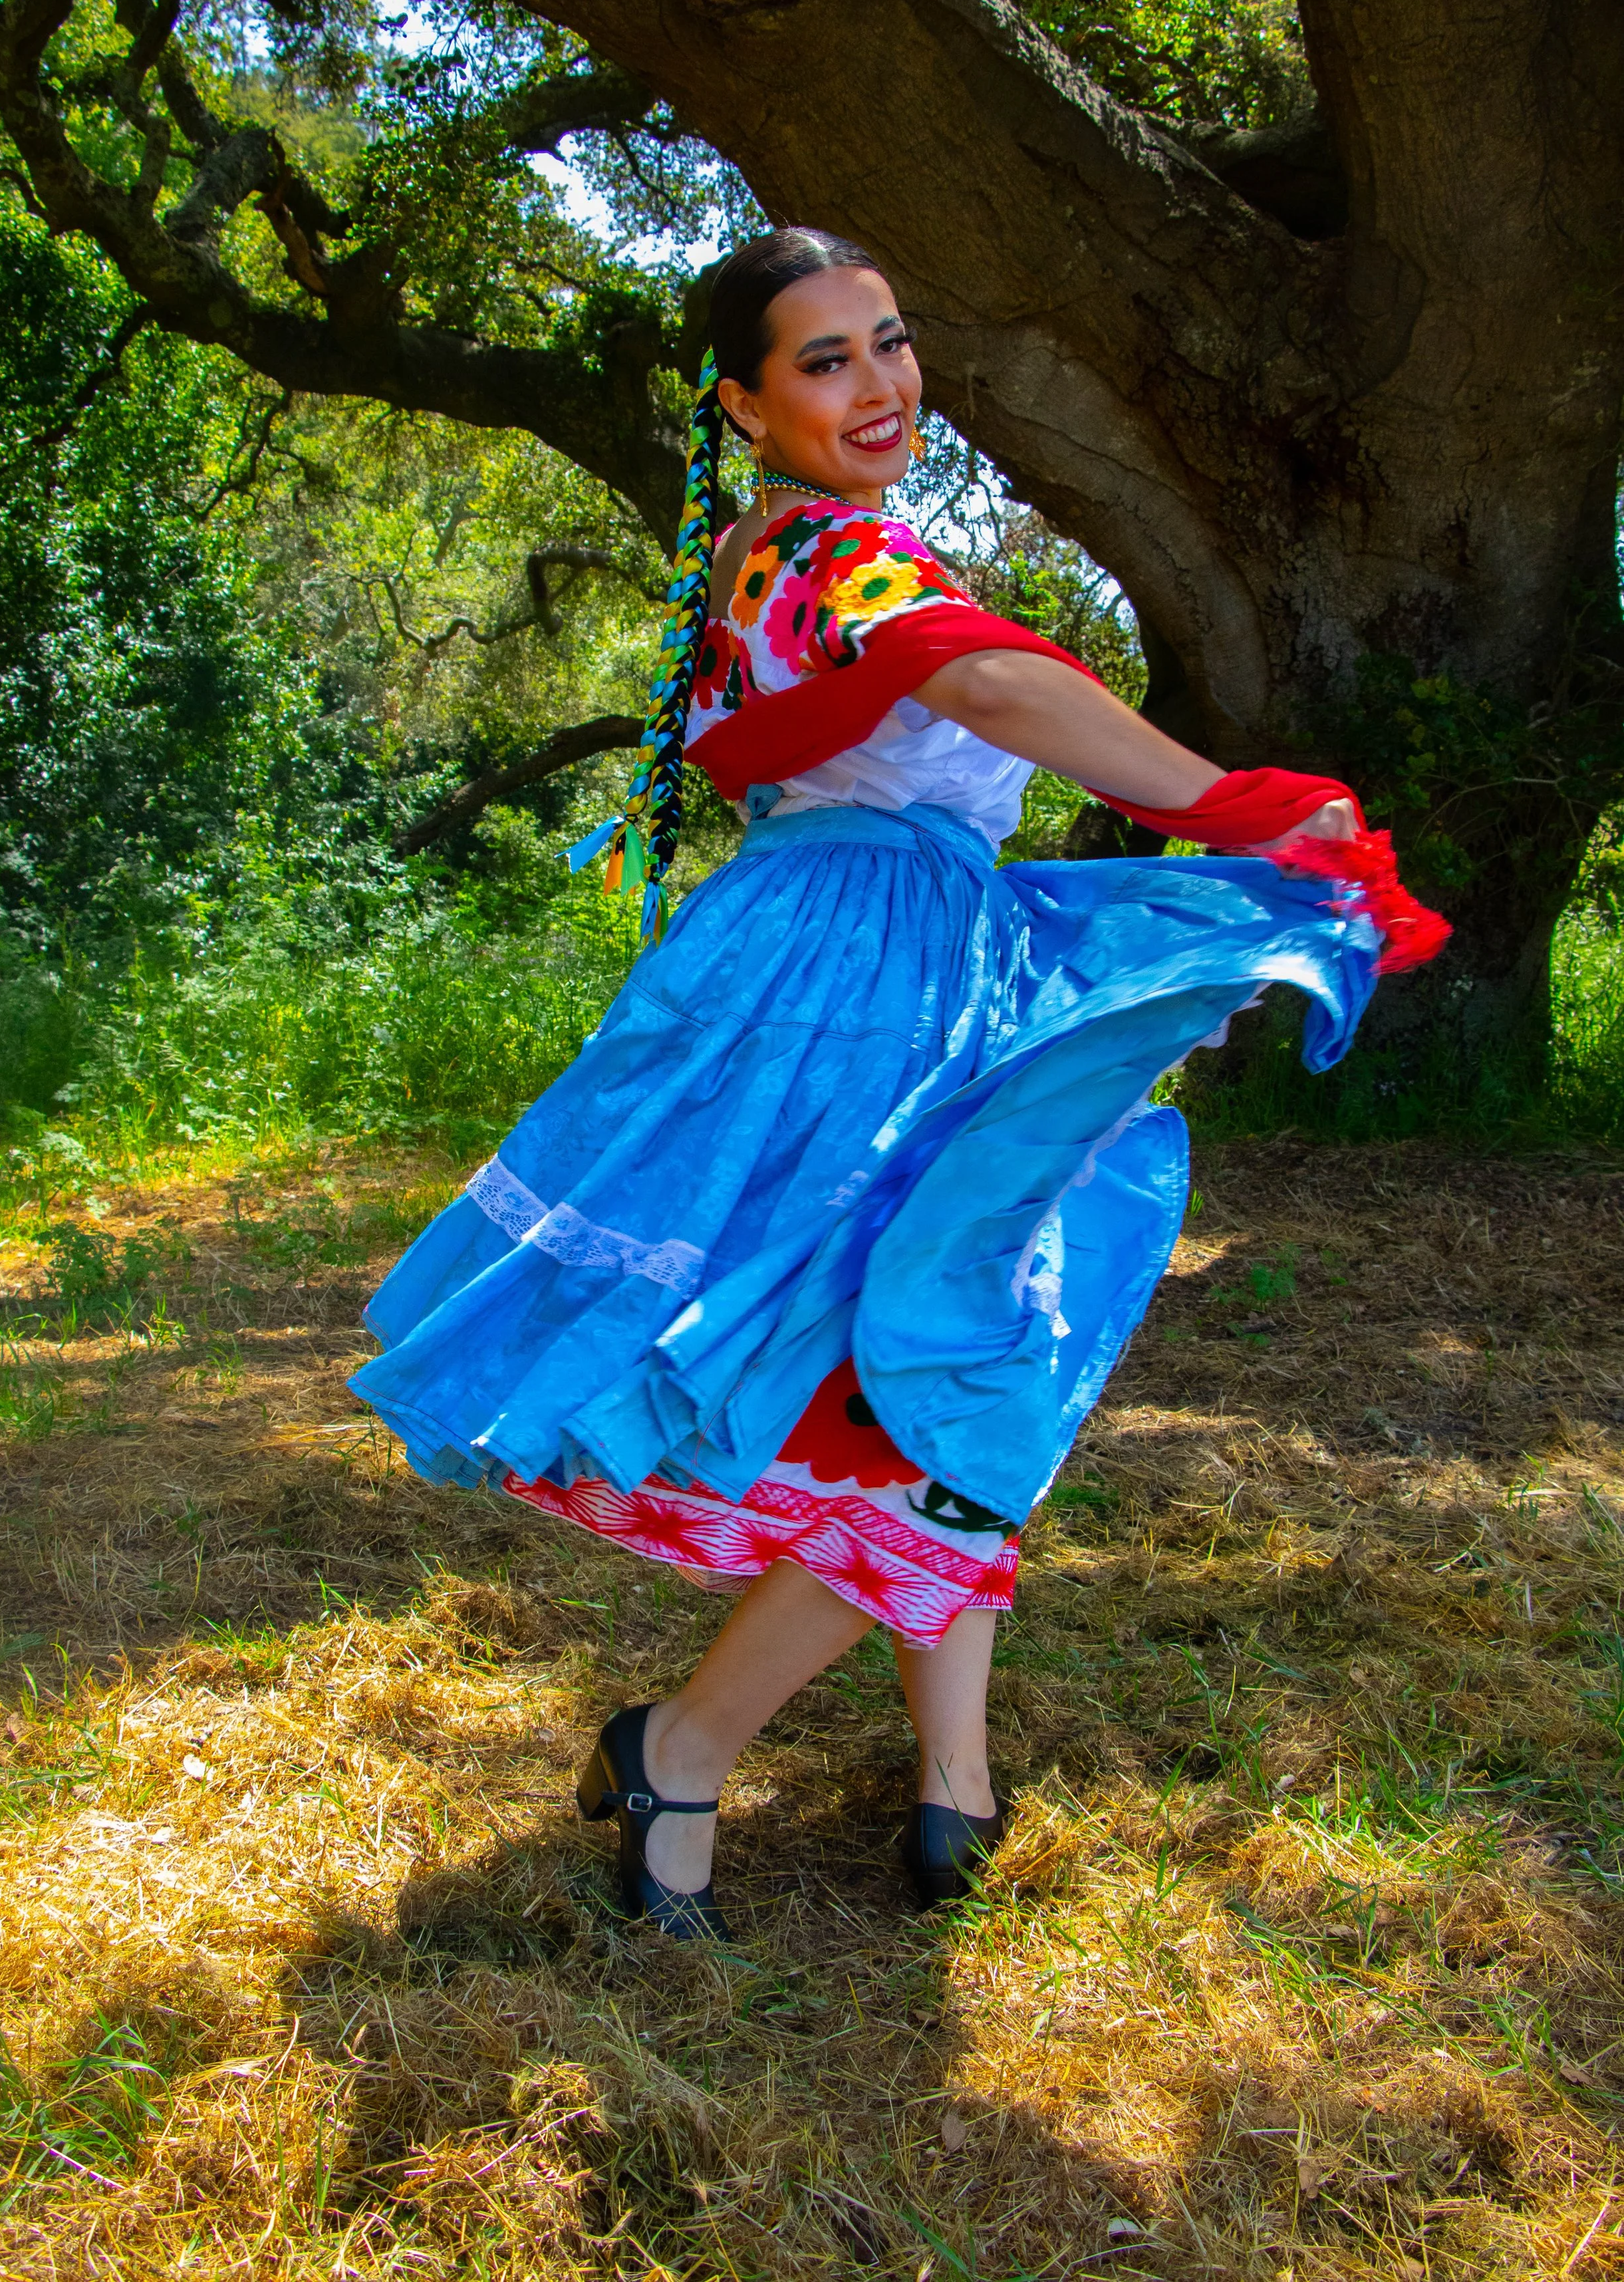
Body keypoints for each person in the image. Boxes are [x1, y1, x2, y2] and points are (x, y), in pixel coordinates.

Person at [349, 228, 1446, 1940]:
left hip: (857, 959)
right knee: (949, 1365)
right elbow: (988, 679)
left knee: (968, 1337)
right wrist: (1226, 803)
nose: (877, 384)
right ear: (747, 400)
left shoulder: (769, 551)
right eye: (825, 360)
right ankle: (685, 1747)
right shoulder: (831, 551)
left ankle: (952, 1777)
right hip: (855, 986)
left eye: (889, 341)